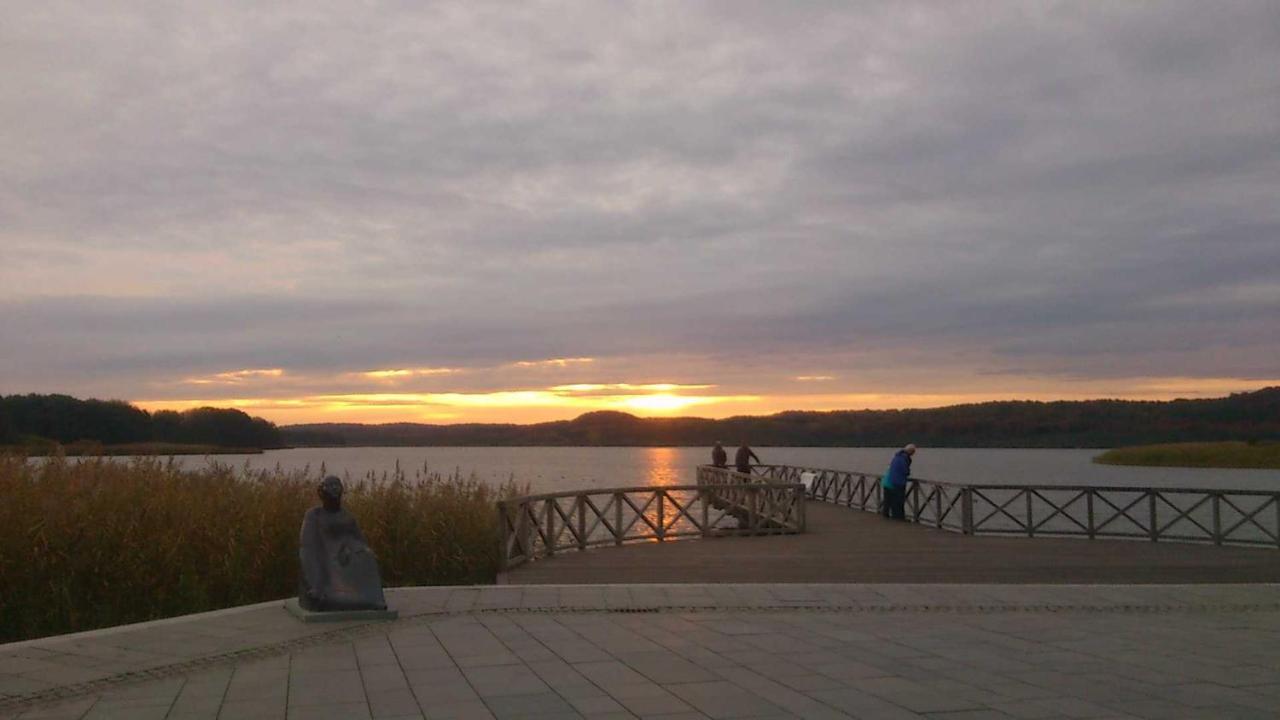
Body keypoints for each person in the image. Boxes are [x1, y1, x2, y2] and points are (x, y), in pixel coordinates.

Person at [298, 476, 389, 612]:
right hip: (327, 558)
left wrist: (361, 550)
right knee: (331, 585)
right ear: (321, 492)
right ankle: (347, 599)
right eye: (330, 485)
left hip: (348, 556)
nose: (334, 488)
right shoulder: (314, 515)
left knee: (368, 557)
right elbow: (307, 546)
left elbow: (359, 539)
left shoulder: (347, 516)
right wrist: (314, 581)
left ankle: (372, 599)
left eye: (337, 485)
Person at [880, 443, 916, 520]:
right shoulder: (903, 458)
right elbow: (904, 470)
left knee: (888, 500)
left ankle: (887, 515)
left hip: (888, 481)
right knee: (898, 501)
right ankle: (898, 517)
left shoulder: (897, 457)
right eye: (913, 452)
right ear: (910, 452)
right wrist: (907, 472)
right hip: (897, 482)